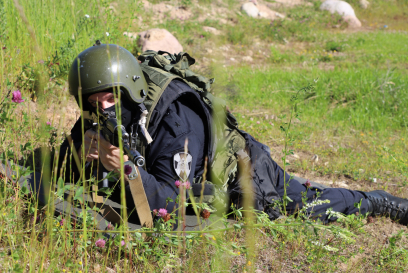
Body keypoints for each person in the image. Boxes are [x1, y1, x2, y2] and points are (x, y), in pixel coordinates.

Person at [54, 43, 408, 227]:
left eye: (109, 95)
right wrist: (78, 158)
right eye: (92, 99)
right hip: (195, 178)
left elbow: (172, 203)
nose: (101, 107)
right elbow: (61, 167)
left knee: (299, 205)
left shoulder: (175, 125)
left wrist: (127, 170)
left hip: (243, 170)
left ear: (128, 90)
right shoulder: (99, 115)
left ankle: (375, 200)